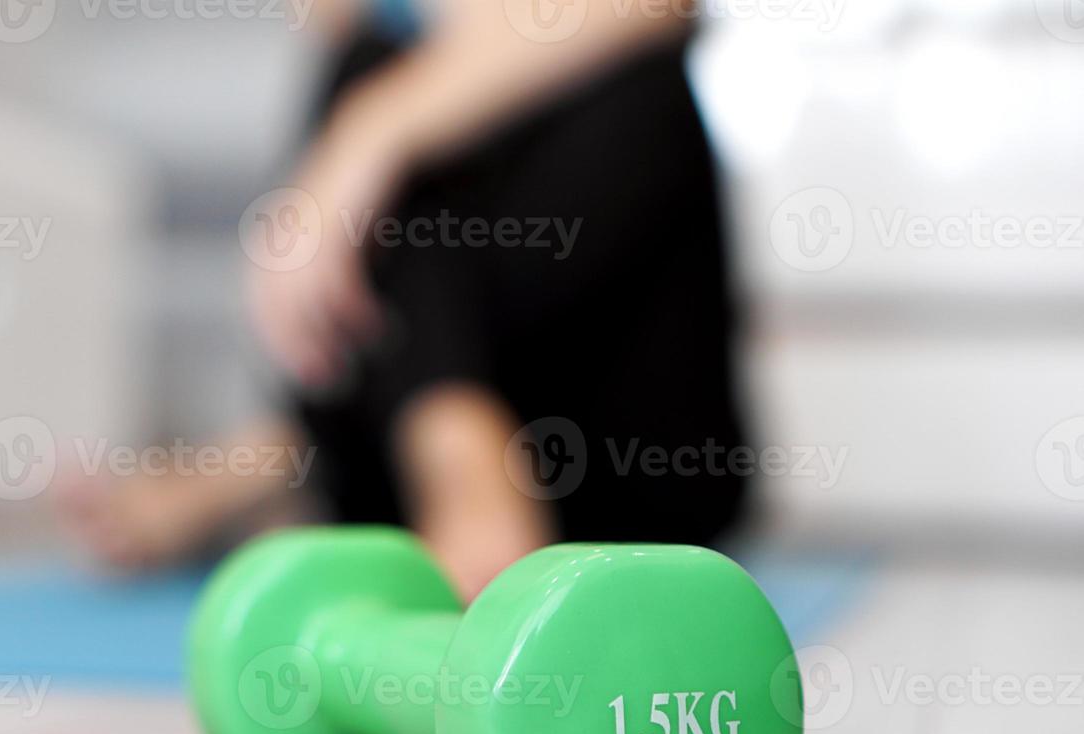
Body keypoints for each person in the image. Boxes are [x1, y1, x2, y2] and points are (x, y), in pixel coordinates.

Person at [58, 0, 748, 600]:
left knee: (622, 88)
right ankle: (438, 440)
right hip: (411, 468)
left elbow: (652, 7)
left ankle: (295, 459)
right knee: (368, 63)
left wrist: (372, 129)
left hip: (636, 454)